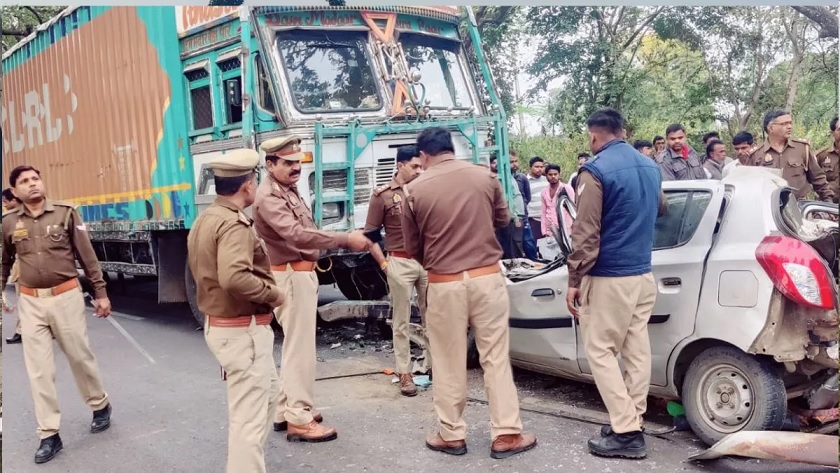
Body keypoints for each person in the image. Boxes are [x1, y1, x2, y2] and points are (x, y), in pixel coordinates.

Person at [401, 126, 537, 459]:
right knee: (495, 358)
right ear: (452, 148)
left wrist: (438, 262)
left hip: (444, 282)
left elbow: (411, 246)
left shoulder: (413, 190)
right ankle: (506, 434)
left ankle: (451, 434)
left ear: (423, 155)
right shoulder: (484, 177)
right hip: (487, 277)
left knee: (448, 360)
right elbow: (504, 219)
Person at [252, 135, 371, 442]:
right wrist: (344, 239)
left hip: (297, 274)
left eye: (298, 162)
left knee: (295, 345)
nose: (296, 168)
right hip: (289, 276)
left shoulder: (284, 189)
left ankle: (285, 409)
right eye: (288, 163)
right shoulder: (268, 196)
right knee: (300, 349)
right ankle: (300, 418)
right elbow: (296, 235)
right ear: (270, 164)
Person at [565, 108, 663, 459]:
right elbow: (661, 209)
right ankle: (632, 419)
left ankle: (626, 431)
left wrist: (574, 278)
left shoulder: (594, 172)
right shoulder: (652, 167)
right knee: (636, 350)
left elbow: (585, 232)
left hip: (609, 276)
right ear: (624, 131)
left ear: (594, 136)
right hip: (642, 274)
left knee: (601, 351)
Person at [1, 165, 113, 464]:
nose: (32, 184)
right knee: (38, 371)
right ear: (15, 192)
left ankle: (99, 404)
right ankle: (49, 434)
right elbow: (3, 262)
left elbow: (87, 256)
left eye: (35, 178)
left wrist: (100, 294)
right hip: (31, 303)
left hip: (66, 297)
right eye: (24, 181)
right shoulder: (9, 222)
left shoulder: (65, 213)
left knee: (79, 357)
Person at [187, 149, 285, 473]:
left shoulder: (206, 218)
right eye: (255, 180)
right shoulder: (234, 225)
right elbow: (234, 277)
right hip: (241, 332)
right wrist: (274, 293)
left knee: (268, 397)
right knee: (249, 421)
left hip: (230, 328)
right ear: (247, 186)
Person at [364, 145, 431, 396]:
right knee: (401, 321)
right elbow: (369, 236)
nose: (418, 171)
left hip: (426, 262)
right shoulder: (382, 195)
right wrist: (384, 264)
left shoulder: (424, 190)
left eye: (421, 166)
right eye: (414, 166)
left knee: (433, 318)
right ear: (400, 165)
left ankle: (432, 366)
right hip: (399, 262)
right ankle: (404, 372)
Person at [749, 110, 835, 202]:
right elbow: (750, 186)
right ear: (771, 128)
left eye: (790, 123)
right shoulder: (756, 154)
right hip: (769, 208)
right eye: (784, 124)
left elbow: (818, 179)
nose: (789, 127)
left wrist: (828, 201)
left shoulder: (802, 148)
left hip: (800, 207)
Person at [2, 187, 23, 343]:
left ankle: (21, 332)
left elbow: (6, 254)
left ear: (14, 200)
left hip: (22, 266)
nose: (4, 205)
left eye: (5, 201)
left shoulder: (10, 219)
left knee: (24, 300)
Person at [541, 164, 575, 238]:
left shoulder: (566, 188)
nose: (553, 176)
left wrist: (571, 228)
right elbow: (543, 212)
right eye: (550, 174)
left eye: (555, 174)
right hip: (550, 229)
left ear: (559, 175)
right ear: (546, 175)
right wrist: (544, 231)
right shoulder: (544, 192)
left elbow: (572, 209)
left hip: (566, 228)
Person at [815, 116, 840, 203]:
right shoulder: (822, 155)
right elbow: (811, 179)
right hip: (827, 206)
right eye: (839, 130)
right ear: (832, 133)